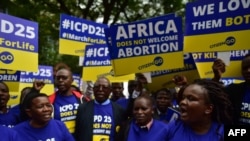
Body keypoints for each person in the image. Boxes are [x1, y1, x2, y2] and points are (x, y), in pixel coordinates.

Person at [166, 79, 232, 141]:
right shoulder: (172, 128)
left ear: (208, 109)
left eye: (191, 99)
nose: (182, 102)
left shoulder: (223, 132)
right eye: (183, 98)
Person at [75, 76, 125, 141]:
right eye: (97, 87)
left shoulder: (119, 110)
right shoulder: (82, 108)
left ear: (110, 90)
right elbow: (78, 133)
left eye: (104, 87)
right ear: (93, 89)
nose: (100, 89)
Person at [49, 67, 90, 134]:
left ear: (72, 80)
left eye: (64, 78)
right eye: (58, 78)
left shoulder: (82, 99)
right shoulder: (49, 101)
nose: (60, 80)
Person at [212, 53, 250, 125]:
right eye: (245, 68)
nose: (248, 70)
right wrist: (217, 77)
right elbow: (212, 97)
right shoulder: (234, 90)